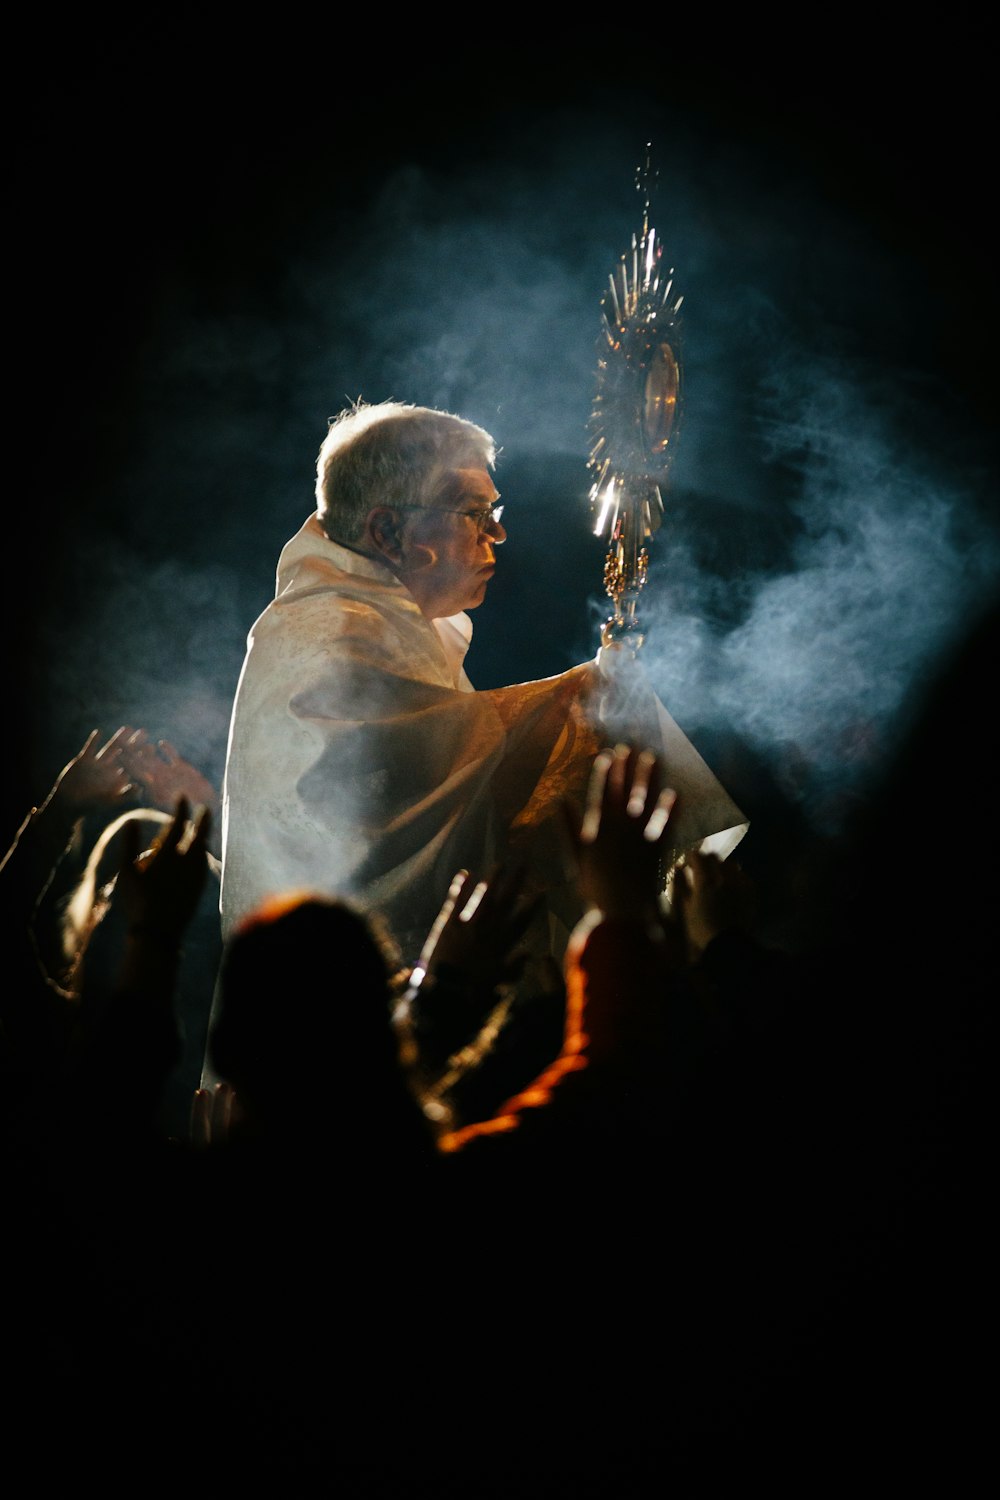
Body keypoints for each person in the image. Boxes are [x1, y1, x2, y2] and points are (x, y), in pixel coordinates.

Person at [219, 398, 748, 979]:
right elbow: (415, 807)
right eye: (473, 510)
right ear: (386, 530)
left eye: (494, 508)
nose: (497, 531)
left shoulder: (371, 619)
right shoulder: (335, 632)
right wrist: (588, 695)